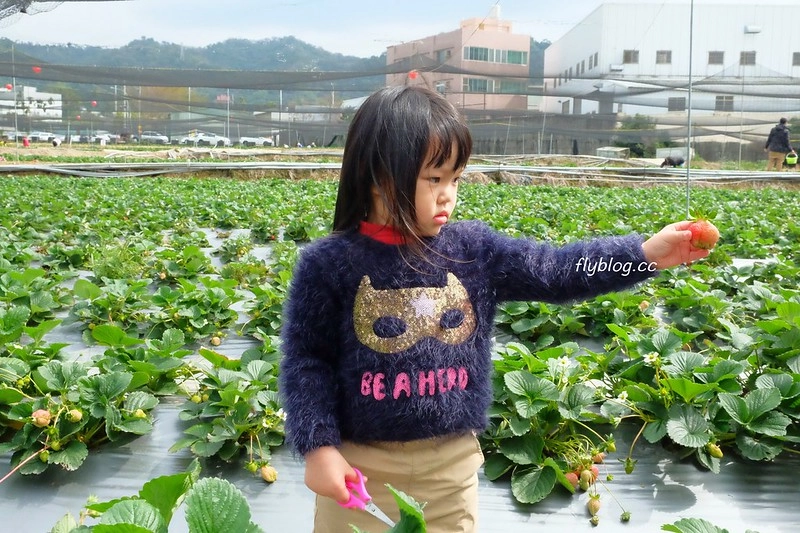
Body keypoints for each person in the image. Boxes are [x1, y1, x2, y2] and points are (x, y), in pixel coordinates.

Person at [278, 85, 714, 533]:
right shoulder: (329, 264)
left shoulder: (475, 251)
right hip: (359, 470)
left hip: (450, 469)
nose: (448, 193)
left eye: (455, 178)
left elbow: (556, 269)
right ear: (378, 175)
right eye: (434, 178)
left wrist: (642, 254)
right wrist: (319, 448)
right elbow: (307, 362)